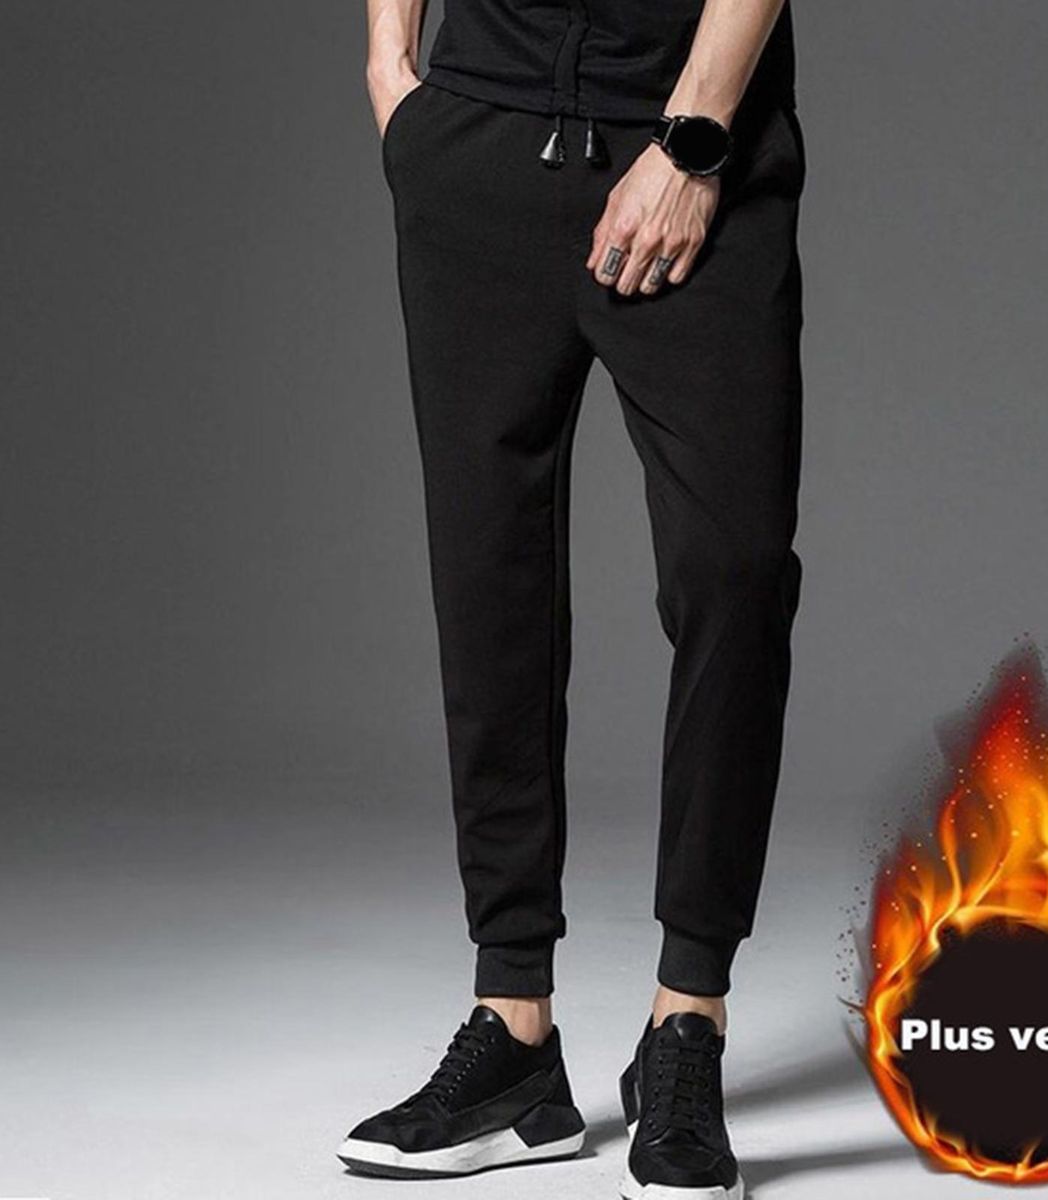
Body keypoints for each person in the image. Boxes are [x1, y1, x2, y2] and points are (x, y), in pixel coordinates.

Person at [339, 0, 805, 1195]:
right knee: (485, 576)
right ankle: (513, 1037)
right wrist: (392, 70)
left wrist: (694, 141)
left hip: (693, 154)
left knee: (735, 572)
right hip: (478, 142)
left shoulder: (697, 153)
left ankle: (687, 1018)